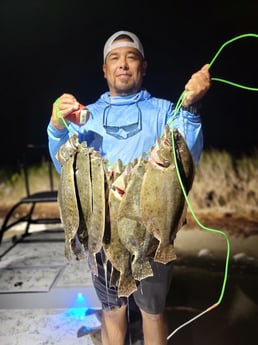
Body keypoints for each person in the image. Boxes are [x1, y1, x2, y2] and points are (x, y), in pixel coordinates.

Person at [47, 30, 210, 345]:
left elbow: (186, 157)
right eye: (114, 59)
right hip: (104, 230)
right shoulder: (85, 116)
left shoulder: (164, 111)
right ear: (105, 70)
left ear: (143, 67)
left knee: (152, 310)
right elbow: (67, 172)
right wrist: (56, 128)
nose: (123, 64)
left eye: (131, 57)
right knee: (112, 311)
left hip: (150, 229)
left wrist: (190, 108)